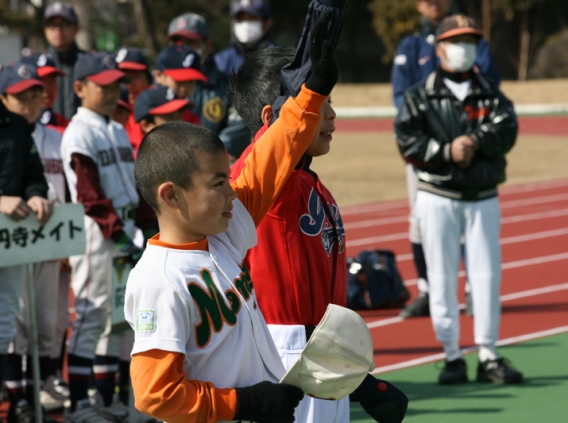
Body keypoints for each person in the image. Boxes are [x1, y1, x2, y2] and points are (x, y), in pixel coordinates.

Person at [124, 12, 346, 423]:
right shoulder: (159, 279)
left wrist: (312, 92)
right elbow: (155, 394)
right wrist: (243, 404)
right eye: (218, 183)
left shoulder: (221, 235)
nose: (234, 191)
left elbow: (272, 154)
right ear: (171, 196)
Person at [229, 4, 408, 423]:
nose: (328, 114)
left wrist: (360, 381)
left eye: (329, 100)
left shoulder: (312, 184)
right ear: (275, 119)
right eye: (315, 101)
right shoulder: (266, 182)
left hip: (324, 358)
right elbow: (271, 153)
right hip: (282, 357)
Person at [395, 15, 523, 385]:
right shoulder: (420, 94)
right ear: (439, 48)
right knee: (441, 275)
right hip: (438, 195)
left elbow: (507, 128)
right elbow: (407, 140)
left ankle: (488, 352)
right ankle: (451, 354)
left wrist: (476, 142)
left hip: (482, 196)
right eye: (456, 40)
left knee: (486, 275)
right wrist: (447, 151)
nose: (463, 47)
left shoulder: (490, 92)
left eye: (469, 40)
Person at [60, 52, 157, 423]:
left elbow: (132, 186)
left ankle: (105, 400)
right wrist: (120, 239)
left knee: (119, 318)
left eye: (115, 83)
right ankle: (78, 405)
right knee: (91, 315)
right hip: (99, 235)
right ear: (80, 88)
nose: (111, 90)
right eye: (103, 85)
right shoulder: (79, 131)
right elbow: (88, 195)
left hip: (124, 230)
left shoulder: (116, 128)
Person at [392, 0, 501, 319]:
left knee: (470, 219)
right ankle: (427, 289)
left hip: (469, 148)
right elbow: (401, 97)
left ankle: (473, 290)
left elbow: (489, 88)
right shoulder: (411, 45)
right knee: (420, 221)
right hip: (427, 150)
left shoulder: (470, 39)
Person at [0, 61, 69, 420]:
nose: (28, 102)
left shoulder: (17, 129)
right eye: (19, 96)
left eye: (34, 94)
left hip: (11, 242)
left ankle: (14, 403)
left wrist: (36, 193)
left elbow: (33, 174)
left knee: (7, 322)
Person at [167, 13, 251, 161]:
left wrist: (207, 154)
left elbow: (239, 126)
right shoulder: (159, 84)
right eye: (177, 42)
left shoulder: (228, 85)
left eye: (191, 42)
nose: (184, 48)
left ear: (208, 45)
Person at [43, 1, 85, 120]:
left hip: (83, 133)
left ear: (77, 28)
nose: (58, 30)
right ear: (45, 30)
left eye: (65, 24)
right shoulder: (36, 64)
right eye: (52, 25)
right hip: (47, 132)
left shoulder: (89, 63)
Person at [214, 0, 275, 76]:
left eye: (252, 18)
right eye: (241, 19)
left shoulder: (278, 60)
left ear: (267, 23)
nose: (246, 24)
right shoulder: (221, 61)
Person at [112, 46, 153, 153]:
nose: (129, 84)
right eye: (123, 78)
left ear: (148, 80)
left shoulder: (164, 112)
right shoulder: (108, 116)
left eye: (135, 76)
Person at [152, 44, 204, 126]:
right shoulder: (143, 106)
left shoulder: (192, 117)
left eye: (191, 81)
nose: (184, 88)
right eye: (179, 81)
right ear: (159, 76)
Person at [22, 51, 70, 134]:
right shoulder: (12, 127)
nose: (48, 88)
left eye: (52, 80)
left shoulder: (68, 126)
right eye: (41, 81)